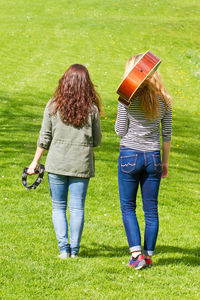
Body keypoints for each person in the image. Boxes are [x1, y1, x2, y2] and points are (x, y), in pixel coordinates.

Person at [28, 64, 102, 259]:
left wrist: (34, 163)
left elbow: (44, 138)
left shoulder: (53, 106)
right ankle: (75, 250)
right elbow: (97, 140)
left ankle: (63, 250)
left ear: (65, 82)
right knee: (77, 207)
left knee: (58, 207)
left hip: (57, 163)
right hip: (81, 164)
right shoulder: (92, 109)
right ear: (87, 85)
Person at [115, 54, 172, 270]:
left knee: (128, 207)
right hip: (153, 157)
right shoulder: (164, 99)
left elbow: (121, 130)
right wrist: (165, 163)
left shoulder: (126, 98)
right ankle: (147, 256)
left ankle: (136, 254)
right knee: (151, 209)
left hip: (129, 154)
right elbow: (166, 134)